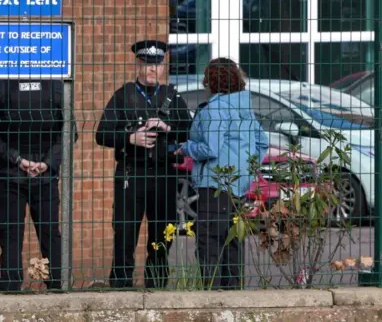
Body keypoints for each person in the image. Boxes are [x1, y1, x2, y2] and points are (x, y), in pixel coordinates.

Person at [95, 39, 192, 289]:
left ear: (163, 67)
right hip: (132, 173)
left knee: (161, 235)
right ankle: (121, 286)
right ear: (137, 64)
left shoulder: (172, 95)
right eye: (147, 63)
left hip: (163, 175)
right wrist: (130, 137)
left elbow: (190, 132)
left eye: (158, 64)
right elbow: (101, 134)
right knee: (125, 234)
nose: (152, 69)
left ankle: (156, 285)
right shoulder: (124, 95)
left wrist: (167, 127)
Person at [175, 58, 269, 290]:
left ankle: (212, 299)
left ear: (212, 81)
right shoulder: (244, 108)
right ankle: (233, 297)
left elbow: (210, 149)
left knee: (210, 245)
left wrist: (186, 147)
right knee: (233, 244)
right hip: (238, 186)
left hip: (214, 185)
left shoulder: (214, 109)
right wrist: (246, 169)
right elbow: (262, 143)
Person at [0, 79, 78, 292]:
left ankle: (56, 286)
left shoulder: (56, 86)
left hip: (43, 174)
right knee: (11, 234)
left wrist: (48, 162)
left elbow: (69, 131)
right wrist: (16, 158)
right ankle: (11, 287)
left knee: (49, 233)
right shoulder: (0, 86)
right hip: (10, 173)